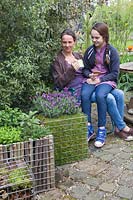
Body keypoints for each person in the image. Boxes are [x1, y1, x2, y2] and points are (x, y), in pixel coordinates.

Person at [51, 28, 133, 146]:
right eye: (64, 42)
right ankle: (120, 127)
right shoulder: (58, 60)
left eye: (70, 42)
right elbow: (58, 83)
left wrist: (92, 76)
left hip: (89, 83)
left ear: (74, 42)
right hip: (76, 90)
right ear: (61, 42)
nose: (67, 45)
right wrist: (71, 69)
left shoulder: (78, 55)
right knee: (108, 98)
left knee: (119, 94)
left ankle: (117, 129)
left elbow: (87, 69)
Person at [81, 22, 133, 148]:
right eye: (92, 37)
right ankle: (88, 128)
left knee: (101, 95)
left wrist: (100, 79)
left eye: (97, 37)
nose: (94, 40)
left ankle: (102, 130)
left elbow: (115, 73)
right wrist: (90, 76)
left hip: (106, 80)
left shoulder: (112, 52)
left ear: (104, 36)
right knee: (84, 95)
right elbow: (85, 69)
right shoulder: (89, 51)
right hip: (92, 80)